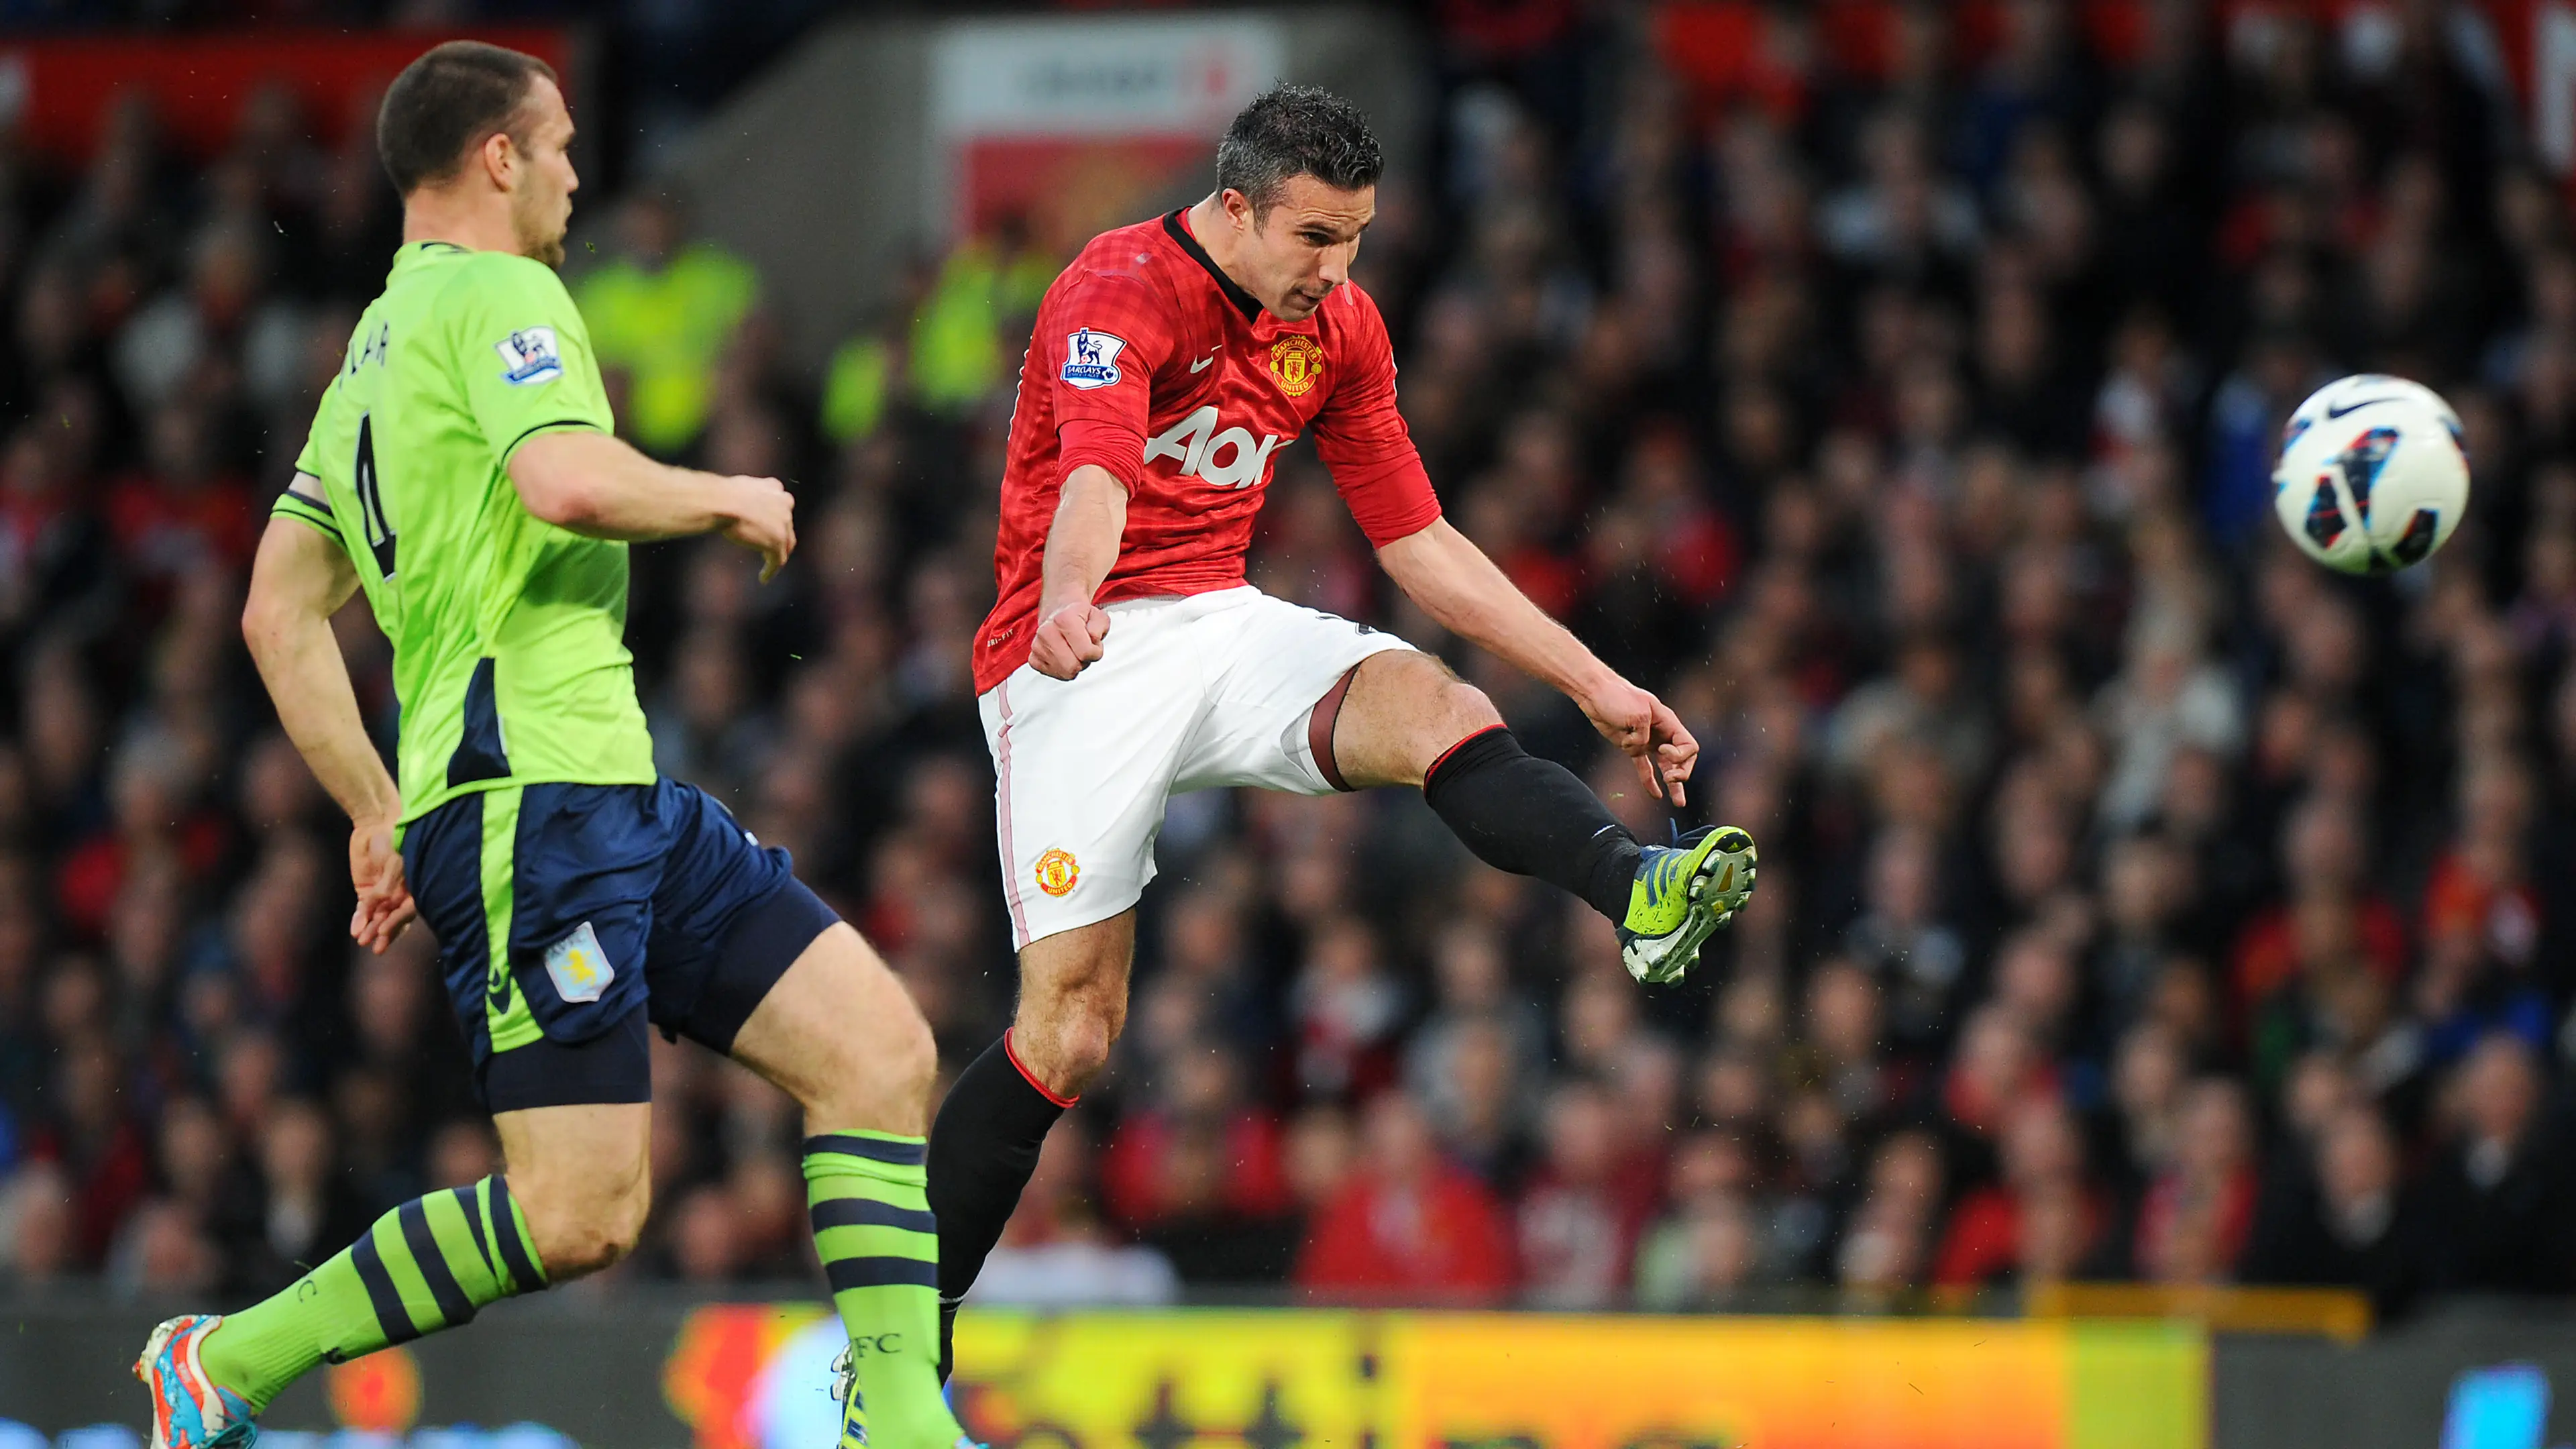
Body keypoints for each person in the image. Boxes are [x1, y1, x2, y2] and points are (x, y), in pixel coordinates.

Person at [131, 42, 967, 1449]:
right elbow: (563, 480)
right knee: (581, 1214)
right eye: (563, 145)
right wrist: (727, 493)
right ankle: (227, 1358)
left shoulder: (371, 361)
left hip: (604, 789)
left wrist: (375, 806)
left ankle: (898, 1420)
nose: (579, 174)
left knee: (879, 1054)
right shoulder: (503, 293)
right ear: (498, 157)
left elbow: (279, 609)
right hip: (534, 804)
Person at [929, 84, 1760, 1375]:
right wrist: (1071, 597)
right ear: (1236, 207)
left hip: (1218, 619)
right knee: (1073, 1036)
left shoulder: (1340, 327)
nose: (1337, 269)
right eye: (1315, 237)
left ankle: (1637, 890)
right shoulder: (1119, 287)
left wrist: (1596, 683)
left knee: (1445, 707)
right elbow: (1096, 474)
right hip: (1074, 658)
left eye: (1357, 238)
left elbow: (1416, 539)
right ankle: (899, 1330)